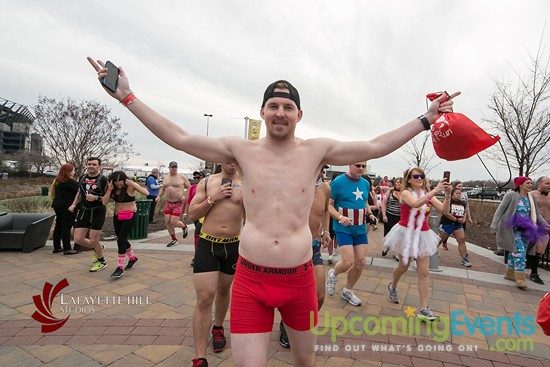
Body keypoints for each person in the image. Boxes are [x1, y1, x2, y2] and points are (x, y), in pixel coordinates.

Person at [88, 58, 457, 367]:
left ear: (299, 114)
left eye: (288, 107)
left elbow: (376, 145)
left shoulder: (316, 151)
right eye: (273, 106)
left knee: (305, 362)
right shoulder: (241, 150)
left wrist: (425, 119)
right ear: (262, 111)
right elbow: (180, 138)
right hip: (250, 281)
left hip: (299, 282)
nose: (280, 113)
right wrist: (127, 97)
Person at [187, 162, 244, 367]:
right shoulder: (206, 182)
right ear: (220, 158)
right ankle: (200, 357)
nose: (231, 161)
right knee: (204, 297)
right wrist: (213, 198)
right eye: (226, 157)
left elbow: (253, 217)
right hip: (208, 244)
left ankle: (218, 327)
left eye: (234, 157)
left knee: (223, 289)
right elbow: (192, 214)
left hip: (233, 246)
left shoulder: (246, 183)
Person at [383, 168, 450, 320]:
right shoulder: (406, 192)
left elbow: (444, 211)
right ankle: (392, 286)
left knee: (424, 272)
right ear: (409, 179)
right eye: (416, 176)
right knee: (404, 266)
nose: (419, 178)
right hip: (405, 233)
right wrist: (435, 191)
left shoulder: (428, 194)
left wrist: (447, 195)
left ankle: (423, 309)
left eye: (422, 176)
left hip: (423, 234)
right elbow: (414, 204)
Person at [280, 165, 331, 349]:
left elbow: (325, 211)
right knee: (288, 296)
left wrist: (325, 230)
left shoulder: (325, 188)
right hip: (290, 249)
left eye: (323, 167)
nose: (321, 169)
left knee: (319, 295)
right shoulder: (294, 185)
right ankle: (287, 325)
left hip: (312, 247)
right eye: (318, 165)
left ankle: (297, 325)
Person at [326, 162, 375, 307]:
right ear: (349, 164)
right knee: (348, 261)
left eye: (363, 166)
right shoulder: (338, 182)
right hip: (343, 228)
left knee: (360, 261)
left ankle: (348, 290)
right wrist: (340, 217)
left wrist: (370, 214)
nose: (360, 168)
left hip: (359, 229)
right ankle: (333, 275)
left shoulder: (365, 183)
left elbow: (364, 201)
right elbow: (328, 205)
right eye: (357, 165)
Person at [491, 176, 549, 288]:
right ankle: (520, 278)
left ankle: (509, 273)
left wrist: (546, 225)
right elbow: (500, 209)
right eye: (528, 183)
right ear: (520, 185)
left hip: (527, 231)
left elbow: (536, 213)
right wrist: (494, 225)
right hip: (513, 230)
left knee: (515, 253)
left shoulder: (531, 197)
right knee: (520, 253)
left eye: (531, 183)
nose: (530, 185)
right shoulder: (511, 195)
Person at [102, 171, 149, 278]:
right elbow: (104, 202)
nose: (119, 185)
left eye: (121, 182)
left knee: (120, 240)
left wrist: (133, 184)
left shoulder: (130, 187)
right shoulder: (112, 188)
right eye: (116, 183)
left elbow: (146, 193)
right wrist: (109, 190)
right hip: (118, 216)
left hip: (130, 215)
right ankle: (132, 258)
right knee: (121, 238)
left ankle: (120, 267)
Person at [69, 157, 108, 272]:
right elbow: (79, 193)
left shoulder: (103, 180)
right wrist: (74, 204)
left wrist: (97, 197)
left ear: (99, 166)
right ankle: (99, 248)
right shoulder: (82, 178)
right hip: (84, 211)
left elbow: (109, 198)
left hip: (98, 211)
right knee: (78, 239)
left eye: (94, 164)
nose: (91, 166)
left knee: (93, 240)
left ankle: (101, 261)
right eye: (89, 164)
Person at [157, 161, 190, 247]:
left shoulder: (182, 177)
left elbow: (190, 187)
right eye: (172, 167)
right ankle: (174, 240)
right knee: (167, 221)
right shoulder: (166, 177)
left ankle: (184, 227)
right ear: (169, 168)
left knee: (174, 222)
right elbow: (163, 189)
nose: (174, 168)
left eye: (175, 167)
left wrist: (184, 195)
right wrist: (159, 196)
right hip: (168, 202)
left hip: (178, 202)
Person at [50, 163, 80, 255]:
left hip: (57, 205)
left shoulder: (57, 181)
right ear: (68, 172)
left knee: (58, 225)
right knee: (66, 227)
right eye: (73, 170)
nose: (74, 172)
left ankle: (57, 247)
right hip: (67, 207)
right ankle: (67, 248)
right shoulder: (70, 182)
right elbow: (80, 190)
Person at [438, 187, 471, 267]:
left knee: (461, 239)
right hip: (447, 223)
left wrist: (463, 219)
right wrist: (455, 219)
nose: (459, 195)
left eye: (460, 193)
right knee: (439, 240)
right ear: (452, 194)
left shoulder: (462, 203)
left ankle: (464, 259)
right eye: (457, 193)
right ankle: (428, 254)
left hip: (458, 225)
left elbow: (465, 211)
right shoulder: (448, 202)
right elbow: (446, 213)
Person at [440, 180, 473, 250]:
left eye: (462, 186)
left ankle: (464, 257)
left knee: (461, 238)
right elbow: (445, 210)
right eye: (459, 186)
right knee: (443, 236)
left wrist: (467, 218)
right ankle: (443, 243)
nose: (461, 187)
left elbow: (466, 207)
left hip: (460, 218)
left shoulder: (464, 195)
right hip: (449, 221)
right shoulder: (450, 195)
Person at [530, 176, 550, 284]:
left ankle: (529, 264)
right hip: (534, 226)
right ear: (539, 184)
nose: (549, 186)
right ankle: (534, 273)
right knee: (538, 247)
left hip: (546, 227)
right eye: (547, 183)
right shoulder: (532, 195)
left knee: (541, 251)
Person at [381, 177, 402, 261]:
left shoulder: (405, 193)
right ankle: (386, 247)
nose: (399, 184)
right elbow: (384, 203)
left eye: (401, 183)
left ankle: (396, 253)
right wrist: (384, 215)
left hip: (400, 217)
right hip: (390, 215)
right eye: (397, 182)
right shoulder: (390, 192)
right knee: (388, 233)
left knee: (399, 236)